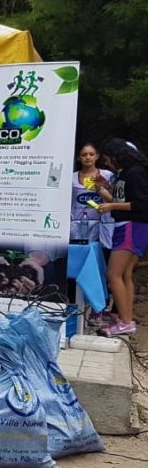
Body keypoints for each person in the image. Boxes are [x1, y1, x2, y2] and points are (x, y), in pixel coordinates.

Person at [94, 139, 148, 337]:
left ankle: (125, 322)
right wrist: (102, 188)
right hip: (124, 226)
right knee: (125, 275)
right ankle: (126, 317)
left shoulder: (136, 172)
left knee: (113, 274)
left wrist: (112, 207)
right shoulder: (124, 174)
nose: (108, 163)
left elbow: (141, 204)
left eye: (109, 158)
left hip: (132, 227)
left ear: (118, 155)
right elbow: (118, 200)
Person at [71, 142, 115, 246]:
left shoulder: (108, 175)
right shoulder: (71, 177)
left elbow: (115, 201)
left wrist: (101, 188)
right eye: (84, 155)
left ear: (97, 157)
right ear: (78, 158)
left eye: (91, 154)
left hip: (103, 224)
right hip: (77, 225)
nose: (88, 157)